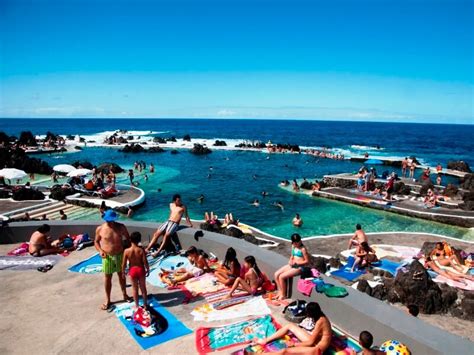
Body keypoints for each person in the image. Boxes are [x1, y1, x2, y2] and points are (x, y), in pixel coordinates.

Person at [255, 302, 332, 354]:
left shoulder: (320, 322)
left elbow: (310, 343)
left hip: (317, 349)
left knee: (284, 351)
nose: (307, 315)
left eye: (308, 313)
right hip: (315, 341)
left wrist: (294, 344)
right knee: (290, 326)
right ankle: (265, 340)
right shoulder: (320, 315)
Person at [94, 210, 132, 310]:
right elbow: (96, 242)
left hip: (120, 255)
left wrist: (129, 252)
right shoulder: (100, 229)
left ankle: (125, 294)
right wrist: (100, 251)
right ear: (105, 219)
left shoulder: (121, 227)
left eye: (113, 220)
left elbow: (128, 239)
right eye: (109, 221)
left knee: (122, 276)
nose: (111, 223)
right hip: (107, 256)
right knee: (107, 278)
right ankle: (108, 299)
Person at [274, 234, 309, 300]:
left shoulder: (303, 249)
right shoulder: (293, 246)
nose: (296, 244)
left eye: (297, 242)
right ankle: (280, 291)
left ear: (300, 241)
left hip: (299, 267)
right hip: (292, 265)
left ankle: (283, 295)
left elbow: (307, 261)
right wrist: (290, 260)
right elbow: (292, 256)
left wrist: (297, 263)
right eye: (294, 242)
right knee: (276, 274)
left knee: (281, 277)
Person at [122, 231, 150, 309]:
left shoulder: (126, 251)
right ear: (139, 240)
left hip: (132, 270)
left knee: (134, 289)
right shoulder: (141, 250)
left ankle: (137, 305)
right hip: (140, 269)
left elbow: (123, 264)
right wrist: (148, 269)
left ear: (130, 240)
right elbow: (145, 261)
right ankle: (145, 305)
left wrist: (123, 272)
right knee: (143, 288)